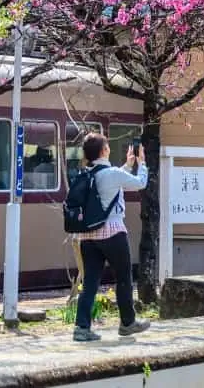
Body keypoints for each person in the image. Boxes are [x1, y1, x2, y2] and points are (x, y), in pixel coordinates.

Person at [71, 133, 151, 342]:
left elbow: (109, 186)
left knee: (90, 282)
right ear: (104, 151)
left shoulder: (85, 173)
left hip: (88, 236)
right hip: (113, 233)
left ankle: (81, 328)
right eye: (107, 145)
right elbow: (140, 183)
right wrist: (141, 163)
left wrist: (126, 165)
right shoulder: (112, 174)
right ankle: (127, 323)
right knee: (124, 277)